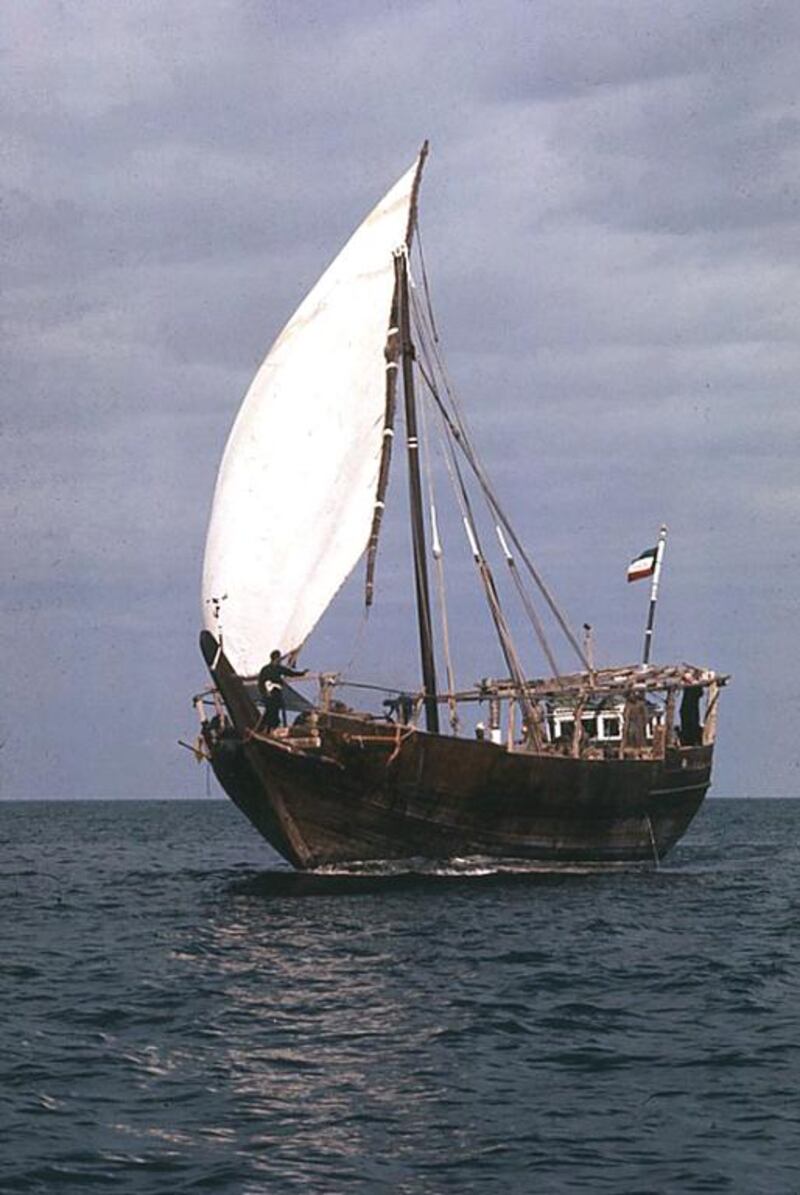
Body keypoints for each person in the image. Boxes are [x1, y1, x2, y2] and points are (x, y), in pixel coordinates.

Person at [257, 649, 308, 732]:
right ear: (276, 659)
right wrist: (265, 692)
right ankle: (267, 729)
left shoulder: (277, 668)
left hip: (275, 693)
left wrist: (302, 673)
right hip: (270, 693)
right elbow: (261, 682)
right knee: (271, 710)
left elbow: (290, 673)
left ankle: (270, 729)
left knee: (274, 710)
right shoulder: (267, 669)